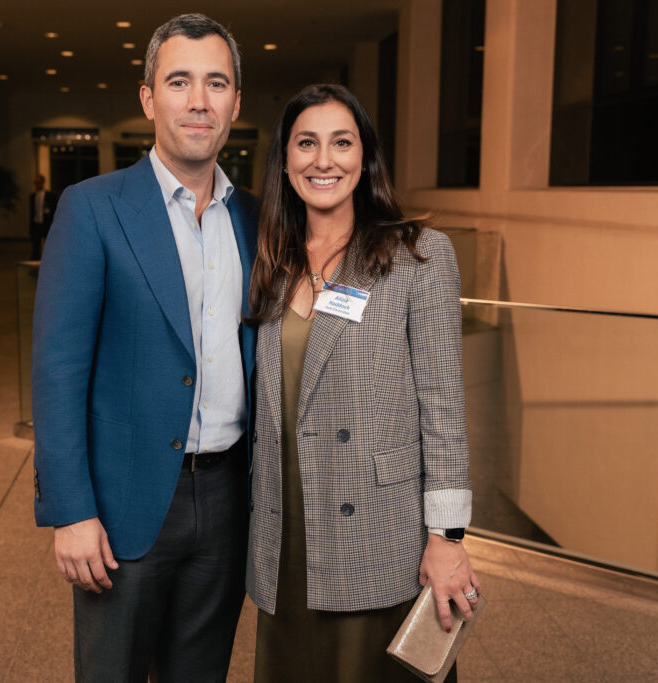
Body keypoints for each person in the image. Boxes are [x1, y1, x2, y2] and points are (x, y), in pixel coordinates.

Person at [31, 14, 258, 682]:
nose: (198, 100)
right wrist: (70, 510)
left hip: (226, 501)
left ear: (235, 103)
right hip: (125, 501)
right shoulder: (92, 207)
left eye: (216, 83)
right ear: (148, 97)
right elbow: (58, 371)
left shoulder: (257, 217)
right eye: (179, 80)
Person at [246, 84, 481, 682]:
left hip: (377, 530)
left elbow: (444, 409)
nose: (323, 160)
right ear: (285, 160)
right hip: (287, 531)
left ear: (365, 157)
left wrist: (447, 537)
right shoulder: (271, 260)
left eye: (341, 142)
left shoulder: (418, 256)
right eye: (306, 143)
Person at [29, 174, 58, 261]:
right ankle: (35, 264)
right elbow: (31, 212)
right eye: (35, 183)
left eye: (39, 182)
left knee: (49, 245)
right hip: (36, 223)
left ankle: (50, 262)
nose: (37, 185)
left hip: (46, 223)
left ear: (43, 183)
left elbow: (54, 209)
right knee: (35, 247)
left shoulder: (50, 195)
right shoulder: (32, 196)